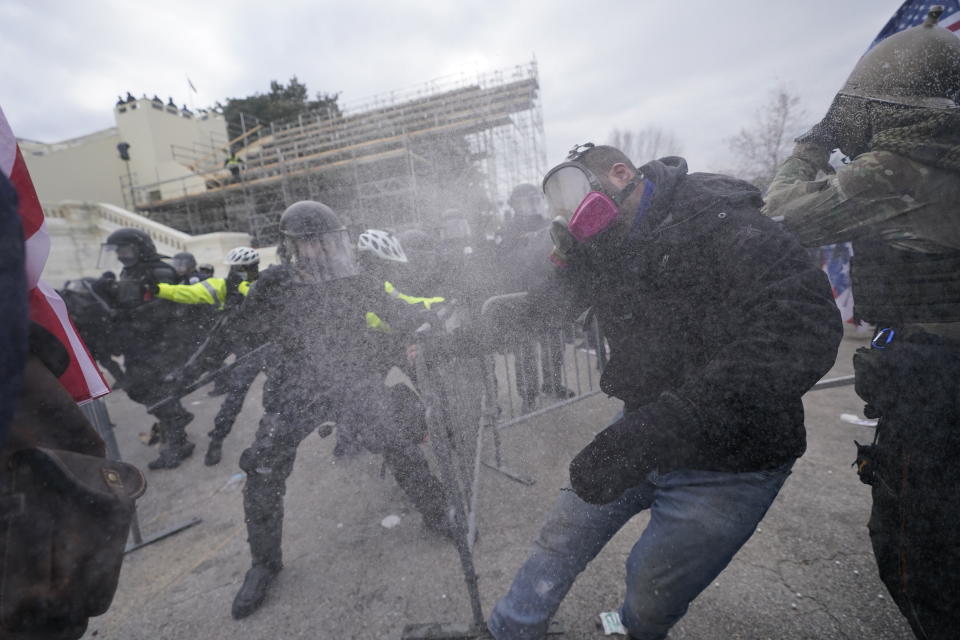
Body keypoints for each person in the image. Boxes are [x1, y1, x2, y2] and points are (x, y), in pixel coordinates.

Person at [487, 143, 842, 640]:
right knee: (563, 533)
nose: (568, 214)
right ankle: (509, 630)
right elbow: (547, 310)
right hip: (645, 429)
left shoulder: (720, 220)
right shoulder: (608, 245)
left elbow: (800, 328)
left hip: (731, 459)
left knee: (652, 589)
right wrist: (457, 343)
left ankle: (633, 629)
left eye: (573, 193)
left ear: (620, 173)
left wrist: (664, 425)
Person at [762, 9, 960, 638]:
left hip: (938, 382)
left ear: (886, 107)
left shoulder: (901, 171)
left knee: (918, 550)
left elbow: (782, 214)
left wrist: (815, 141)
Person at [209, 202, 452, 619]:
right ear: (291, 246)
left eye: (325, 240)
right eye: (309, 243)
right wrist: (224, 345)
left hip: (352, 380)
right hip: (294, 389)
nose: (319, 250)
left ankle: (438, 514)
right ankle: (264, 564)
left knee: (398, 443)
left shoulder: (356, 275)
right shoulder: (275, 283)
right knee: (264, 468)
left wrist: (430, 320)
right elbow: (239, 330)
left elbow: (394, 309)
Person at [98, 228, 196, 469]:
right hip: (138, 344)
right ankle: (177, 419)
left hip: (163, 344)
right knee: (137, 389)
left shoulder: (160, 270)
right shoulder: (129, 271)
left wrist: (127, 315)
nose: (121, 255)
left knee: (158, 392)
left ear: (140, 247)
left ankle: (176, 442)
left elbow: (167, 307)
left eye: (125, 249)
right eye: (117, 251)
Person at [154, 246, 260, 465]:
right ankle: (213, 437)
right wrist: (157, 289)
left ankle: (216, 438)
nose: (240, 273)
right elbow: (189, 293)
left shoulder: (262, 285)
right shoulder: (221, 285)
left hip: (256, 346)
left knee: (243, 394)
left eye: (246, 269)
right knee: (205, 373)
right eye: (236, 269)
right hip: (227, 338)